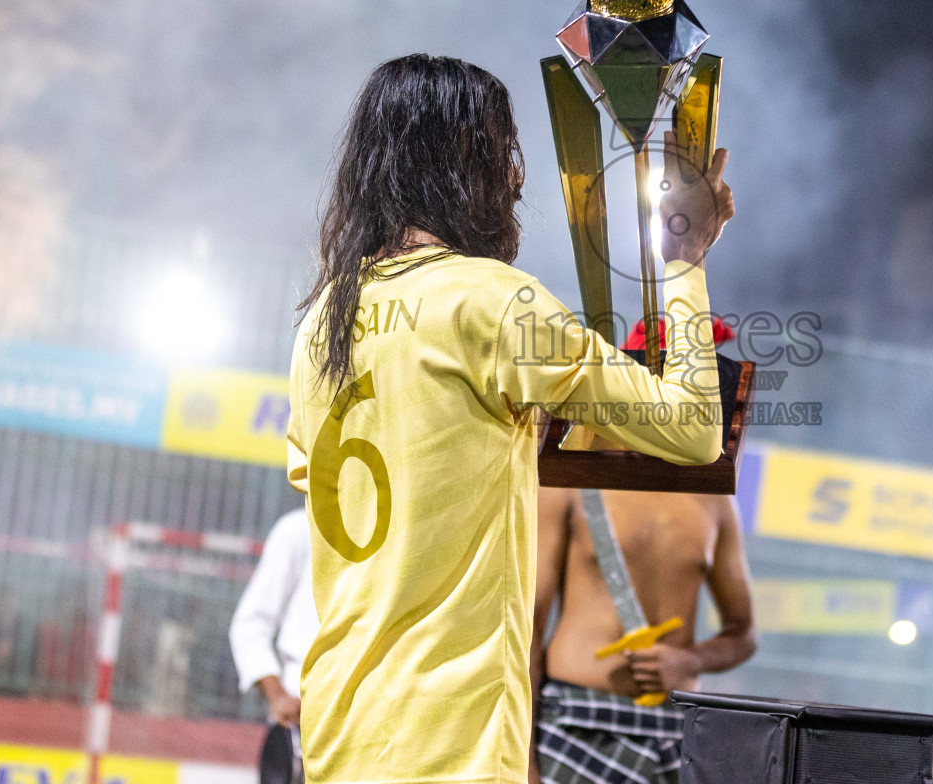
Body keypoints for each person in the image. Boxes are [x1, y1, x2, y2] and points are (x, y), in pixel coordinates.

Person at [286, 54, 733, 784]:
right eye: (504, 152)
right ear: (467, 160)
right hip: (450, 742)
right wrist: (682, 258)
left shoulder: (322, 324)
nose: (517, 178)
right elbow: (691, 429)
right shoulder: (492, 303)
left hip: (342, 730)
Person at [530, 321, 756, 784]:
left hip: (675, 733)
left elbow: (743, 633)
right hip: (575, 724)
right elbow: (526, 629)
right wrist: (522, 759)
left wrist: (689, 661)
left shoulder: (713, 500)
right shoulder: (571, 478)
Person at [230, 506, 320, 728]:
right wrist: (278, 696)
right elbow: (250, 626)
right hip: (300, 717)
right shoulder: (300, 529)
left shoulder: (401, 533)